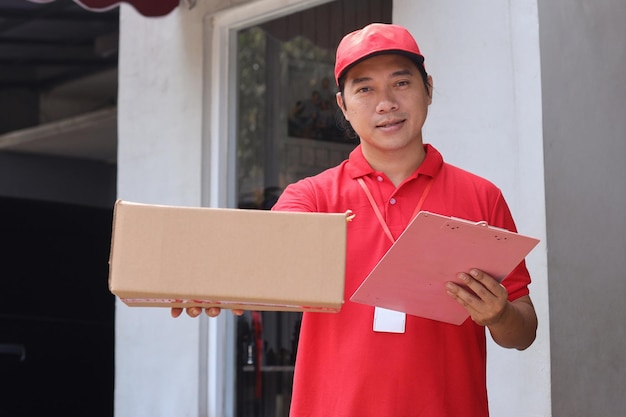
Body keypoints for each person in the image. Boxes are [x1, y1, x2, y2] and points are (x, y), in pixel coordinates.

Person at [173, 22, 538, 417]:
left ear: (428, 88)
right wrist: (210, 287)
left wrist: (499, 315)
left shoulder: (482, 197)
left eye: (401, 83)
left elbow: (524, 330)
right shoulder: (311, 198)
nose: (385, 103)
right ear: (343, 106)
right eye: (364, 89)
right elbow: (259, 265)